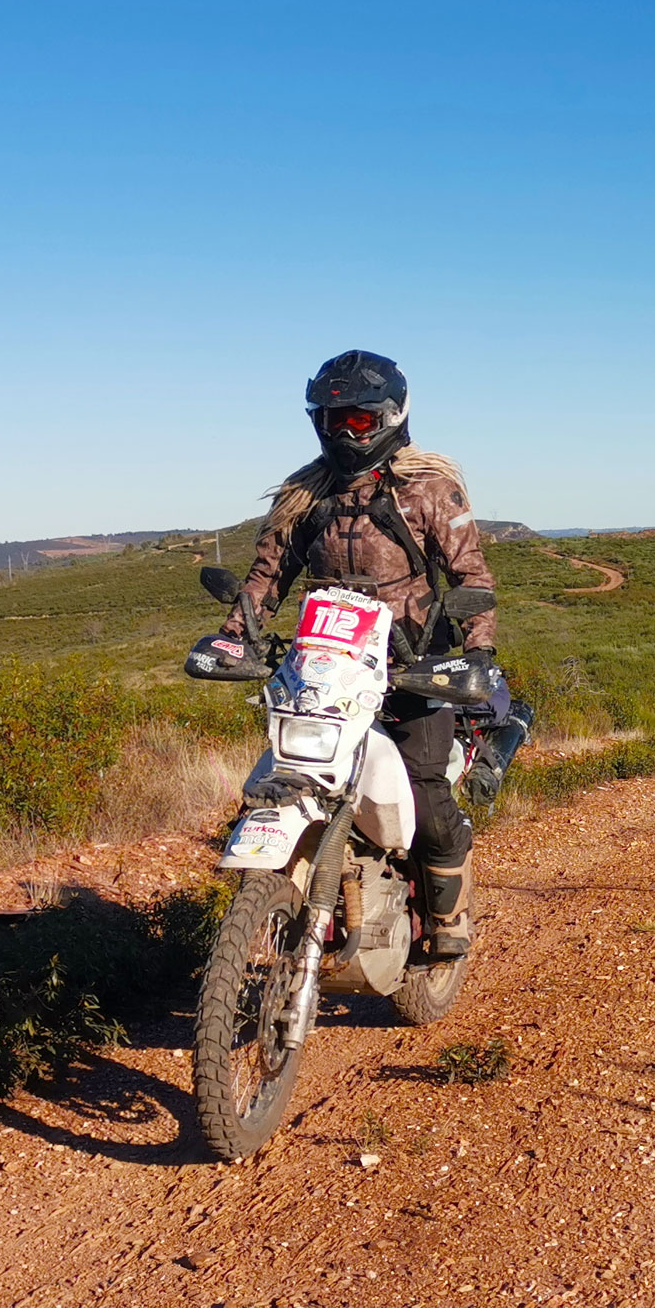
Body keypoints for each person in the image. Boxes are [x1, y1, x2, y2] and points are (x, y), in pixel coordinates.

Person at [224, 350, 497, 958]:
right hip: (325, 666)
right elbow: (267, 574)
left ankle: (447, 912)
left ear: (390, 417)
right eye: (329, 420)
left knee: (425, 787)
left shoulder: (428, 487)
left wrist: (479, 650)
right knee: (280, 776)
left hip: (415, 666)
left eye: (356, 421)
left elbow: (470, 575)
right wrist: (234, 633)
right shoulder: (304, 493)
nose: (341, 432)